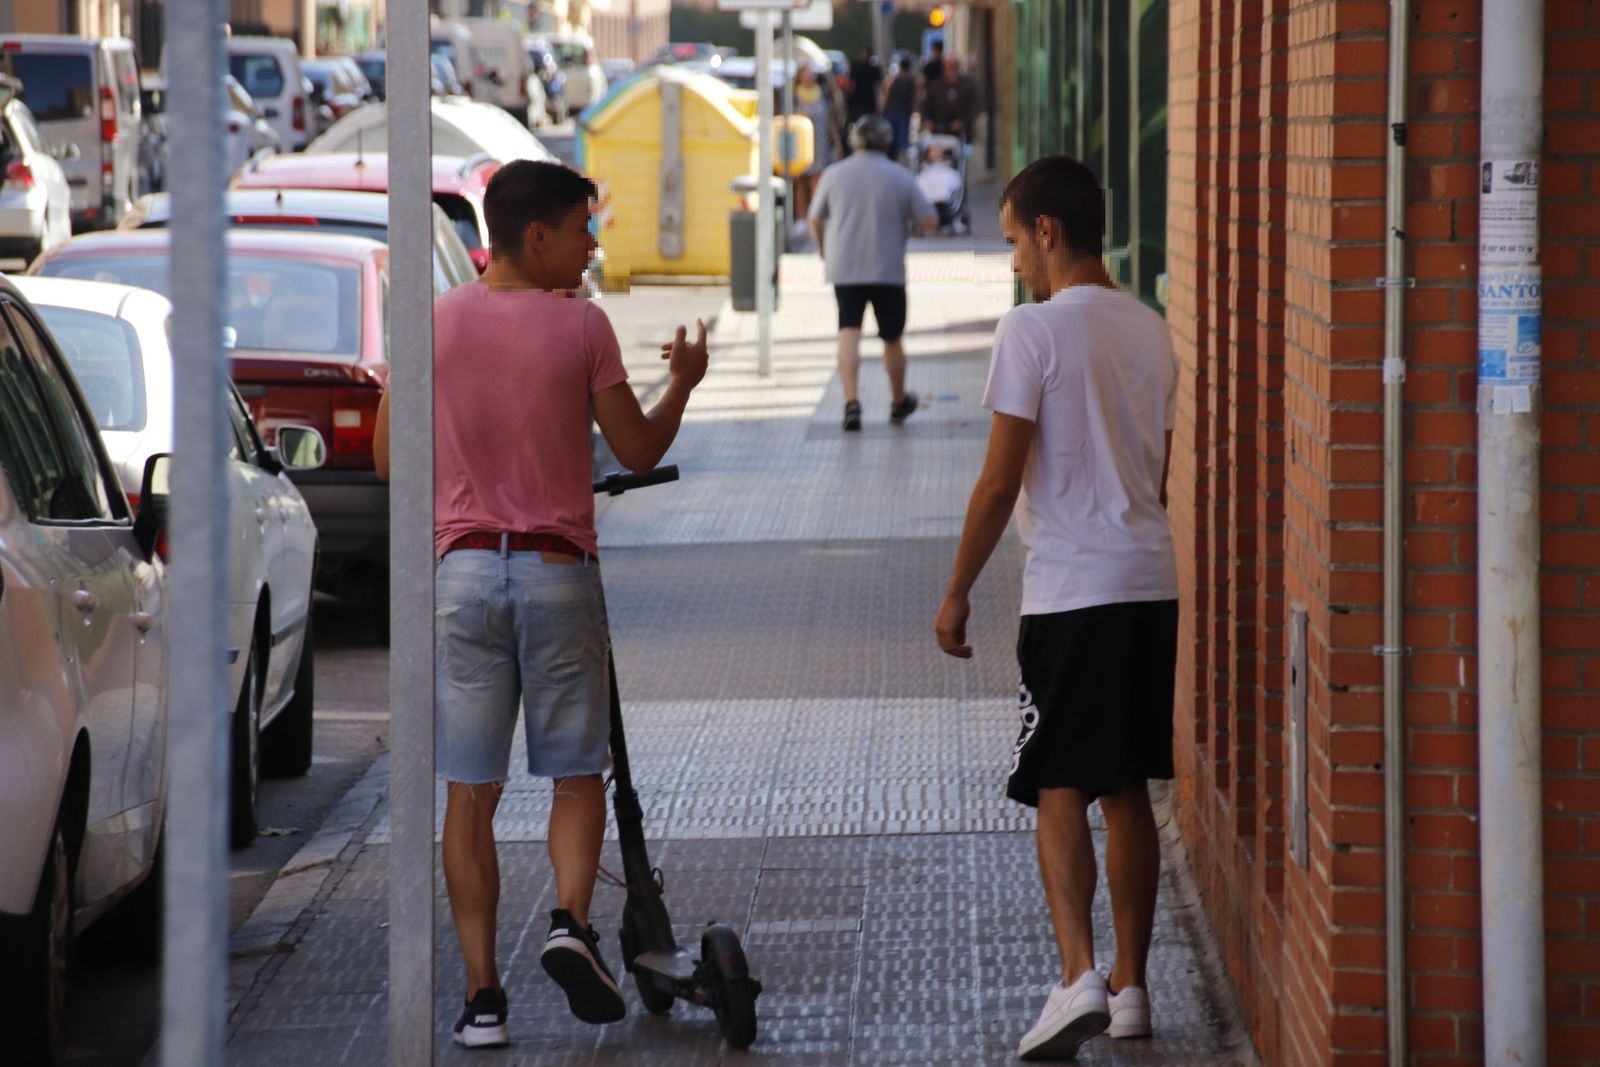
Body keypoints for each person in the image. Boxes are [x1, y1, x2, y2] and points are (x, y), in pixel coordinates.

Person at [372, 160, 710, 1049]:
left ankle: (483, 999)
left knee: (469, 791)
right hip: (558, 573)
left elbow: (390, 461)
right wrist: (685, 380)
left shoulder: (433, 321)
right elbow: (637, 449)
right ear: (536, 236)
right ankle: (569, 921)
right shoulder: (582, 326)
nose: (591, 244)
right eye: (581, 228)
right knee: (576, 771)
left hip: (463, 579)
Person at [934, 156, 1178, 1060]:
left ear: (1047, 231)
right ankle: (1131, 986)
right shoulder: (1152, 330)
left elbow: (1000, 481)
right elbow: (1153, 473)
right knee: (1128, 786)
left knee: (1058, 782)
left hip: (1072, 589)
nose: (1013, 263)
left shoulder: (1031, 330)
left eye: (1013, 242)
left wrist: (957, 590)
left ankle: (1077, 974)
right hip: (1149, 580)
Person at [807, 116, 939, 432]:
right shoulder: (901, 176)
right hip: (888, 268)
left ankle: (851, 402)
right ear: (886, 141)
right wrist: (905, 221)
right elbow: (930, 219)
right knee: (892, 338)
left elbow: (814, 218)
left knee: (848, 331)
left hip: (845, 268)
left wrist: (824, 249)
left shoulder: (834, 174)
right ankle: (898, 401)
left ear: (855, 140)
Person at [791, 64, 839, 226]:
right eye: (806, 75)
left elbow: (830, 119)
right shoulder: (794, 96)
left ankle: (815, 218)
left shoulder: (822, 94)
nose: (810, 78)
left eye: (811, 75)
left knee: (816, 181)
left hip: (820, 143)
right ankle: (801, 219)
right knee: (800, 183)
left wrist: (836, 140)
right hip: (799, 144)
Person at [926, 54, 979, 140]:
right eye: (948, 67)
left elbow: (973, 107)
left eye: (953, 67)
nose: (951, 70)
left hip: (962, 133)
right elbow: (927, 105)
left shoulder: (968, 86)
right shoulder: (935, 85)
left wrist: (963, 122)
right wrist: (928, 121)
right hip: (939, 131)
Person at [880, 57, 917, 163]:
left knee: (890, 138)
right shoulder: (911, 80)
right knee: (902, 140)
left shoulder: (892, 79)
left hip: (891, 111)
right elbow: (915, 98)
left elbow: (886, 96)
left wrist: (882, 111)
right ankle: (901, 162)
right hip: (904, 112)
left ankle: (890, 160)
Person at [915, 147, 962, 229]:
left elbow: (955, 186)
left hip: (943, 206)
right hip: (929, 207)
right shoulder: (923, 175)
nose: (936, 156)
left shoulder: (950, 173)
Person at [846, 47, 882, 125]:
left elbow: (850, 84)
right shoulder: (874, 69)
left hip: (857, 102)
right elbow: (879, 86)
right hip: (869, 102)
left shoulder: (855, 67)